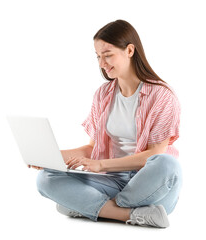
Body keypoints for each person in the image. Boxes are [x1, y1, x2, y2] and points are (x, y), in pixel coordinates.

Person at [31, 19, 182, 228]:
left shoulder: (162, 96)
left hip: (148, 185)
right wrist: (49, 156)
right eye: (98, 57)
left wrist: (101, 165)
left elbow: (153, 154)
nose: (102, 63)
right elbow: (91, 149)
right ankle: (131, 214)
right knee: (46, 178)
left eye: (108, 55)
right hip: (111, 181)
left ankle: (91, 206)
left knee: (167, 164)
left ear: (130, 50)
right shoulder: (103, 95)